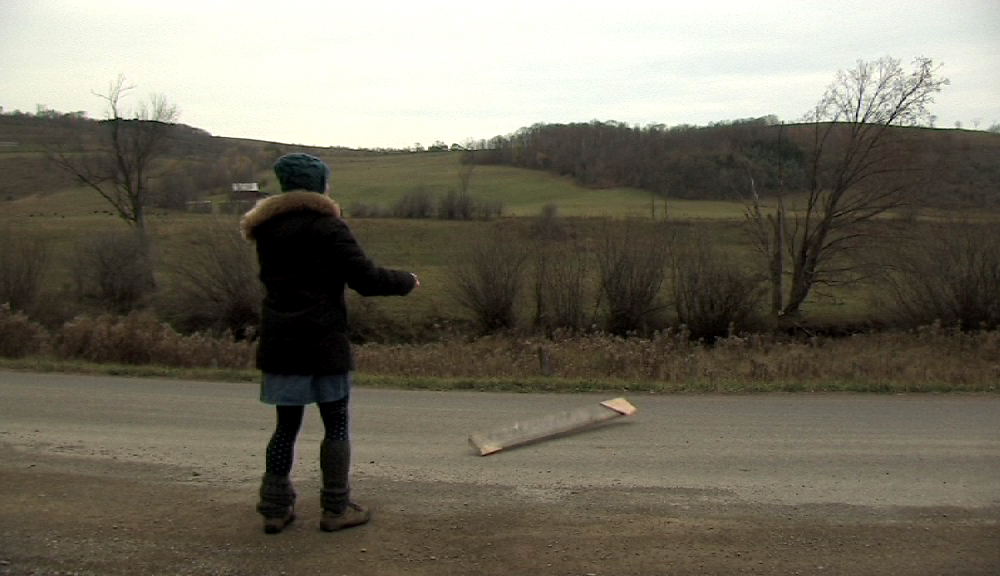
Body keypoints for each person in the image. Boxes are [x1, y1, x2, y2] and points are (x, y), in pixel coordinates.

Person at [240, 153, 418, 534]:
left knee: (285, 427)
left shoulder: (266, 230)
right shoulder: (328, 228)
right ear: (318, 186)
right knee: (335, 424)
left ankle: (273, 508)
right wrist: (406, 281)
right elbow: (366, 279)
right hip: (323, 344)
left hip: (280, 342)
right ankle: (336, 508)